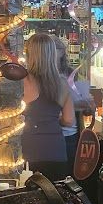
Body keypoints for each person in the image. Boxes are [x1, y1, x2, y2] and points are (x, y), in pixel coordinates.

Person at [22, 33, 76, 181]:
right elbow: (69, 120)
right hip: (56, 150)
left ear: (29, 55)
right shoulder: (63, 83)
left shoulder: (22, 81)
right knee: (54, 199)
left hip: (29, 149)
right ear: (53, 54)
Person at [52, 35, 96, 174]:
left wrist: (88, 105)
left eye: (57, 50)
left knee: (70, 175)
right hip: (51, 134)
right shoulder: (43, 76)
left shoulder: (71, 74)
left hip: (72, 133)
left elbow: (88, 108)